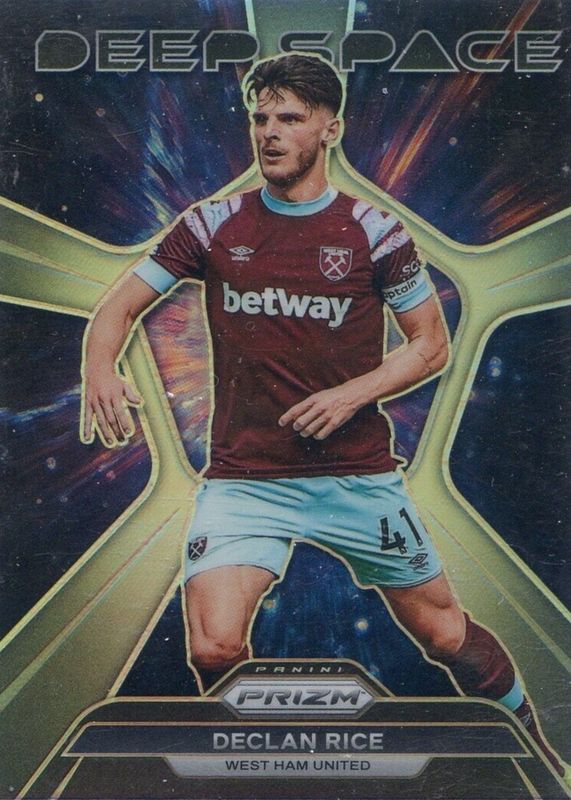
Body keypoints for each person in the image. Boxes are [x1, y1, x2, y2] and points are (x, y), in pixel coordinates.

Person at [81, 53, 567, 780]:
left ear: (330, 130)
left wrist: (353, 393)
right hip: (245, 481)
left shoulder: (374, 231)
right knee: (213, 645)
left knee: (443, 634)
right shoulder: (211, 224)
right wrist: (100, 367)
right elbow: (118, 306)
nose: (269, 133)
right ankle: (260, 767)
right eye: (260, 118)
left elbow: (430, 344)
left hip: (356, 478)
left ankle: (534, 743)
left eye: (289, 118)